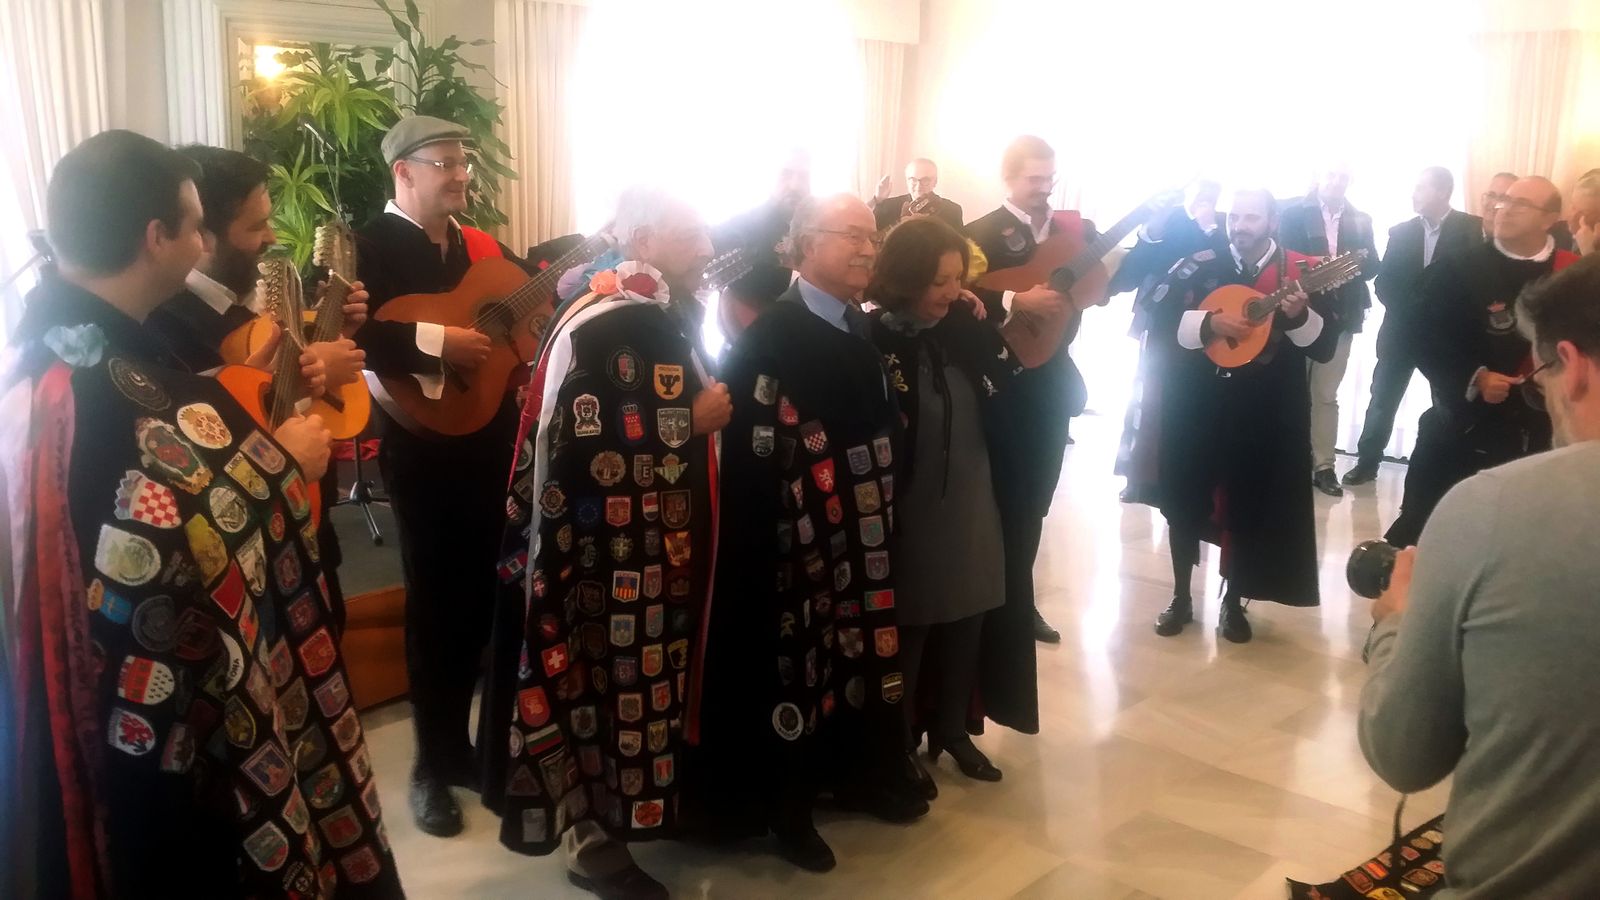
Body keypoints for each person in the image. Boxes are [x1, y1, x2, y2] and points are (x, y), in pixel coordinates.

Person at [0, 129, 402, 897]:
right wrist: (289, 466)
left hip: (48, 717)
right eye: (194, 227)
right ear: (158, 238)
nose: (201, 245)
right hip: (160, 740)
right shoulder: (144, 403)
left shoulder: (32, 360)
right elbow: (207, 546)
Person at [491, 189, 726, 900]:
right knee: (595, 681)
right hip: (598, 554)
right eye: (692, 234)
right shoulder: (616, 321)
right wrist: (694, 419)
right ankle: (592, 840)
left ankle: (621, 815)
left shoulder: (635, 310)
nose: (708, 250)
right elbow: (590, 453)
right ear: (646, 240)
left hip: (632, 545)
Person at [1358, 254, 1600, 896]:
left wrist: (1394, 626)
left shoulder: (1492, 507)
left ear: (1572, 367)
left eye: (1541, 373)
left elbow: (1404, 752)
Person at [699, 193, 927, 873]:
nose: (867, 247)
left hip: (865, 539)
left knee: (858, 656)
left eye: (872, 236)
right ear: (802, 246)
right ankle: (787, 810)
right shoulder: (774, 334)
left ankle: (855, 774)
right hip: (797, 546)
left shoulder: (861, 325)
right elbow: (755, 445)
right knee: (799, 669)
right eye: (850, 235)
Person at [352, 115, 537, 836]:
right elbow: (345, 328)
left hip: (491, 436)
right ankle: (431, 761)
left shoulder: (476, 245)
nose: (462, 175)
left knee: (483, 595)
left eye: (465, 163)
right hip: (421, 448)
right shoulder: (366, 246)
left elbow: (524, 299)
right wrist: (435, 340)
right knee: (434, 603)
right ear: (405, 171)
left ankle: (468, 748)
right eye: (447, 164)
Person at [863, 217, 1075, 791]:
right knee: (916, 623)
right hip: (912, 505)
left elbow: (1011, 383)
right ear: (906, 278)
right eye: (938, 280)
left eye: (957, 279)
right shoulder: (874, 337)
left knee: (971, 613)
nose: (950, 291)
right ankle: (899, 739)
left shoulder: (963, 321)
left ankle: (953, 731)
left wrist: (978, 306)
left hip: (978, 494)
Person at [147, 144, 371, 633]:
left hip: (311, 526)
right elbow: (218, 436)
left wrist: (335, 335)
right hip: (248, 555)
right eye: (254, 227)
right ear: (202, 236)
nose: (272, 237)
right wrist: (316, 376)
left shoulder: (267, 296)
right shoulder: (171, 327)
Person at [1149, 188, 1337, 643]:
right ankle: (1180, 596)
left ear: (1272, 221)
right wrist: (1209, 324)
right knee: (1184, 498)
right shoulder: (1200, 261)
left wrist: (1298, 316)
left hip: (1266, 411)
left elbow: (1324, 346)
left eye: (1251, 217)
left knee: (1248, 505)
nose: (1240, 225)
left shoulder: (1302, 273)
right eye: (1235, 216)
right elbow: (1161, 319)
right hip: (1197, 405)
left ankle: (1234, 602)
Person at [1384, 176, 1579, 547]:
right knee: (1434, 537)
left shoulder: (1574, 274)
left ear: (1550, 218)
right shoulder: (1457, 268)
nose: (1504, 208)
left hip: (1543, 434)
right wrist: (1475, 377)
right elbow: (1421, 336)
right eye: (1502, 199)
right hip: (1464, 427)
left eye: (1520, 203)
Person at [965, 135, 1098, 645]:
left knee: (1035, 502)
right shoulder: (978, 233)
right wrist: (1010, 299)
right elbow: (958, 293)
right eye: (1033, 179)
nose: (1044, 188)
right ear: (1009, 179)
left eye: (1049, 178)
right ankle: (984, 602)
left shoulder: (1074, 230)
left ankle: (1020, 602)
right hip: (996, 386)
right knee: (995, 498)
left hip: (1051, 385)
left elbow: (1111, 283)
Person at [1341, 167, 1483, 486]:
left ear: (1443, 192)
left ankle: (1449, 471)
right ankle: (1366, 464)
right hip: (1401, 334)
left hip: (1447, 339)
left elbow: (1472, 283)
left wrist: (1439, 314)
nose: (1414, 194)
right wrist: (1413, 311)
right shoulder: (1400, 232)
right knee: (1382, 402)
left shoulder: (1472, 229)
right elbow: (1385, 283)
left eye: (1421, 188)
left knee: (1448, 404)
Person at [1108, 180, 1228, 505]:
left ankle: (1188, 474)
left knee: (1194, 403)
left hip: (1210, 324)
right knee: (1148, 400)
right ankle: (1140, 476)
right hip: (1162, 322)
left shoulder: (1226, 223)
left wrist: (1210, 227)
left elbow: (1229, 267)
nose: (1206, 198)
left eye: (1213, 193)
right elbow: (1135, 271)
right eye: (1202, 191)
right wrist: (1153, 229)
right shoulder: (1171, 221)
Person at [1277, 163, 1380, 497]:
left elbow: (1373, 266)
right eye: (1331, 175)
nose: (1337, 182)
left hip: (1341, 316)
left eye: (1343, 176)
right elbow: (1277, 258)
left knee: (1325, 395)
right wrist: (1315, 264)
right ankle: (1289, 461)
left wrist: (1354, 262)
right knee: (1290, 392)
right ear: (1318, 177)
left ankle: (1324, 467)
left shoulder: (1361, 219)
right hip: (1296, 312)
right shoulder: (1290, 212)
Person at [711, 147, 811, 257]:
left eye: (804, 177)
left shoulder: (821, 230)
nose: (795, 186)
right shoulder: (739, 229)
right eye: (785, 174)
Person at [870, 158, 964, 233]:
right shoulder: (888, 206)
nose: (919, 186)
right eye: (913, 180)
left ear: (935, 182)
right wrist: (878, 200)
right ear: (907, 181)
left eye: (925, 180)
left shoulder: (953, 210)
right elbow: (872, 235)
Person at [1550, 168, 1599, 255]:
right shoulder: (1553, 231)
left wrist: (1588, 251)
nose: (1572, 216)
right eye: (1573, 206)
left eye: (1584, 213)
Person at [1477, 171, 1518, 239]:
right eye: (1491, 195)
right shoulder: (1462, 230)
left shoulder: (1516, 242)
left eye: (1503, 199)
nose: (1494, 203)